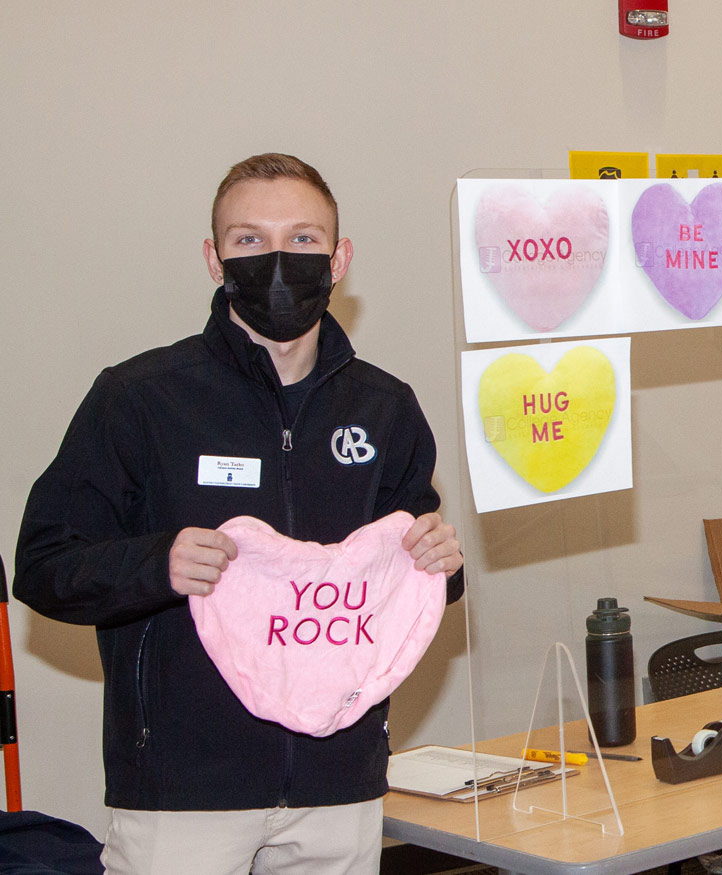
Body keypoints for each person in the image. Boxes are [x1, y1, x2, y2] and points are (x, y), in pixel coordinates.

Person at [14, 153, 466, 874]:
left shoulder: (385, 407)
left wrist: (442, 568)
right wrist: (157, 562)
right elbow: (43, 564)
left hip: (337, 786)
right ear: (213, 257)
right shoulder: (140, 398)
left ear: (340, 257)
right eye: (250, 240)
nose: (279, 259)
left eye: (304, 238)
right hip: (184, 793)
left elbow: (408, 580)